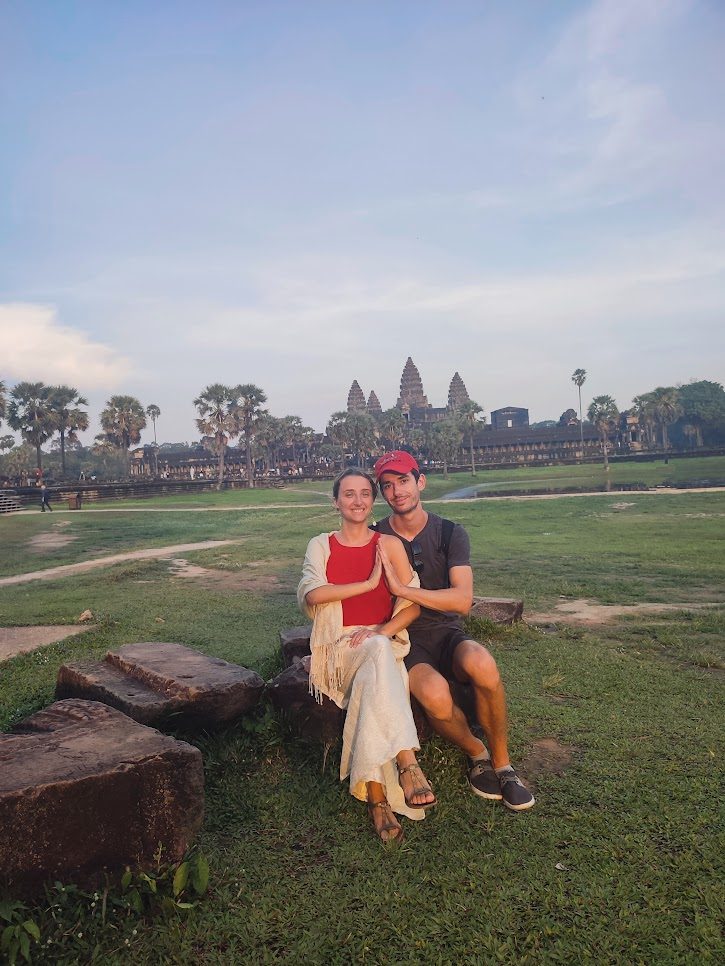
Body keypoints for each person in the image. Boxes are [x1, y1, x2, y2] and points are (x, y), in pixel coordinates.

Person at [373, 451, 535, 812]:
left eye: (403, 481)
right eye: (388, 485)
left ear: (420, 481)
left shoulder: (448, 532)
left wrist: (405, 591)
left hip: (447, 632)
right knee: (433, 695)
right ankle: (477, 753)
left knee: (483, 664)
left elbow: (462, 601)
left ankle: (504, 764)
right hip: (408, 640)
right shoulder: (376, 538)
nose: (397, 491)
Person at [298, 467, 436, 843]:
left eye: (364, 493)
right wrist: (368, 584)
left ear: (372, 500)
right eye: (348, 494)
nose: (357, 501)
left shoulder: (389, 545)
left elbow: (412, 605)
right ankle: (406, 760)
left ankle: (376, 798)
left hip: (380, 642)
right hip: (337, 650)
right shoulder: (321, 544)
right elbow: (312, 594)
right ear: (336, 502)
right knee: (378, 660)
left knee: (375, 668)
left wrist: (381, 631)